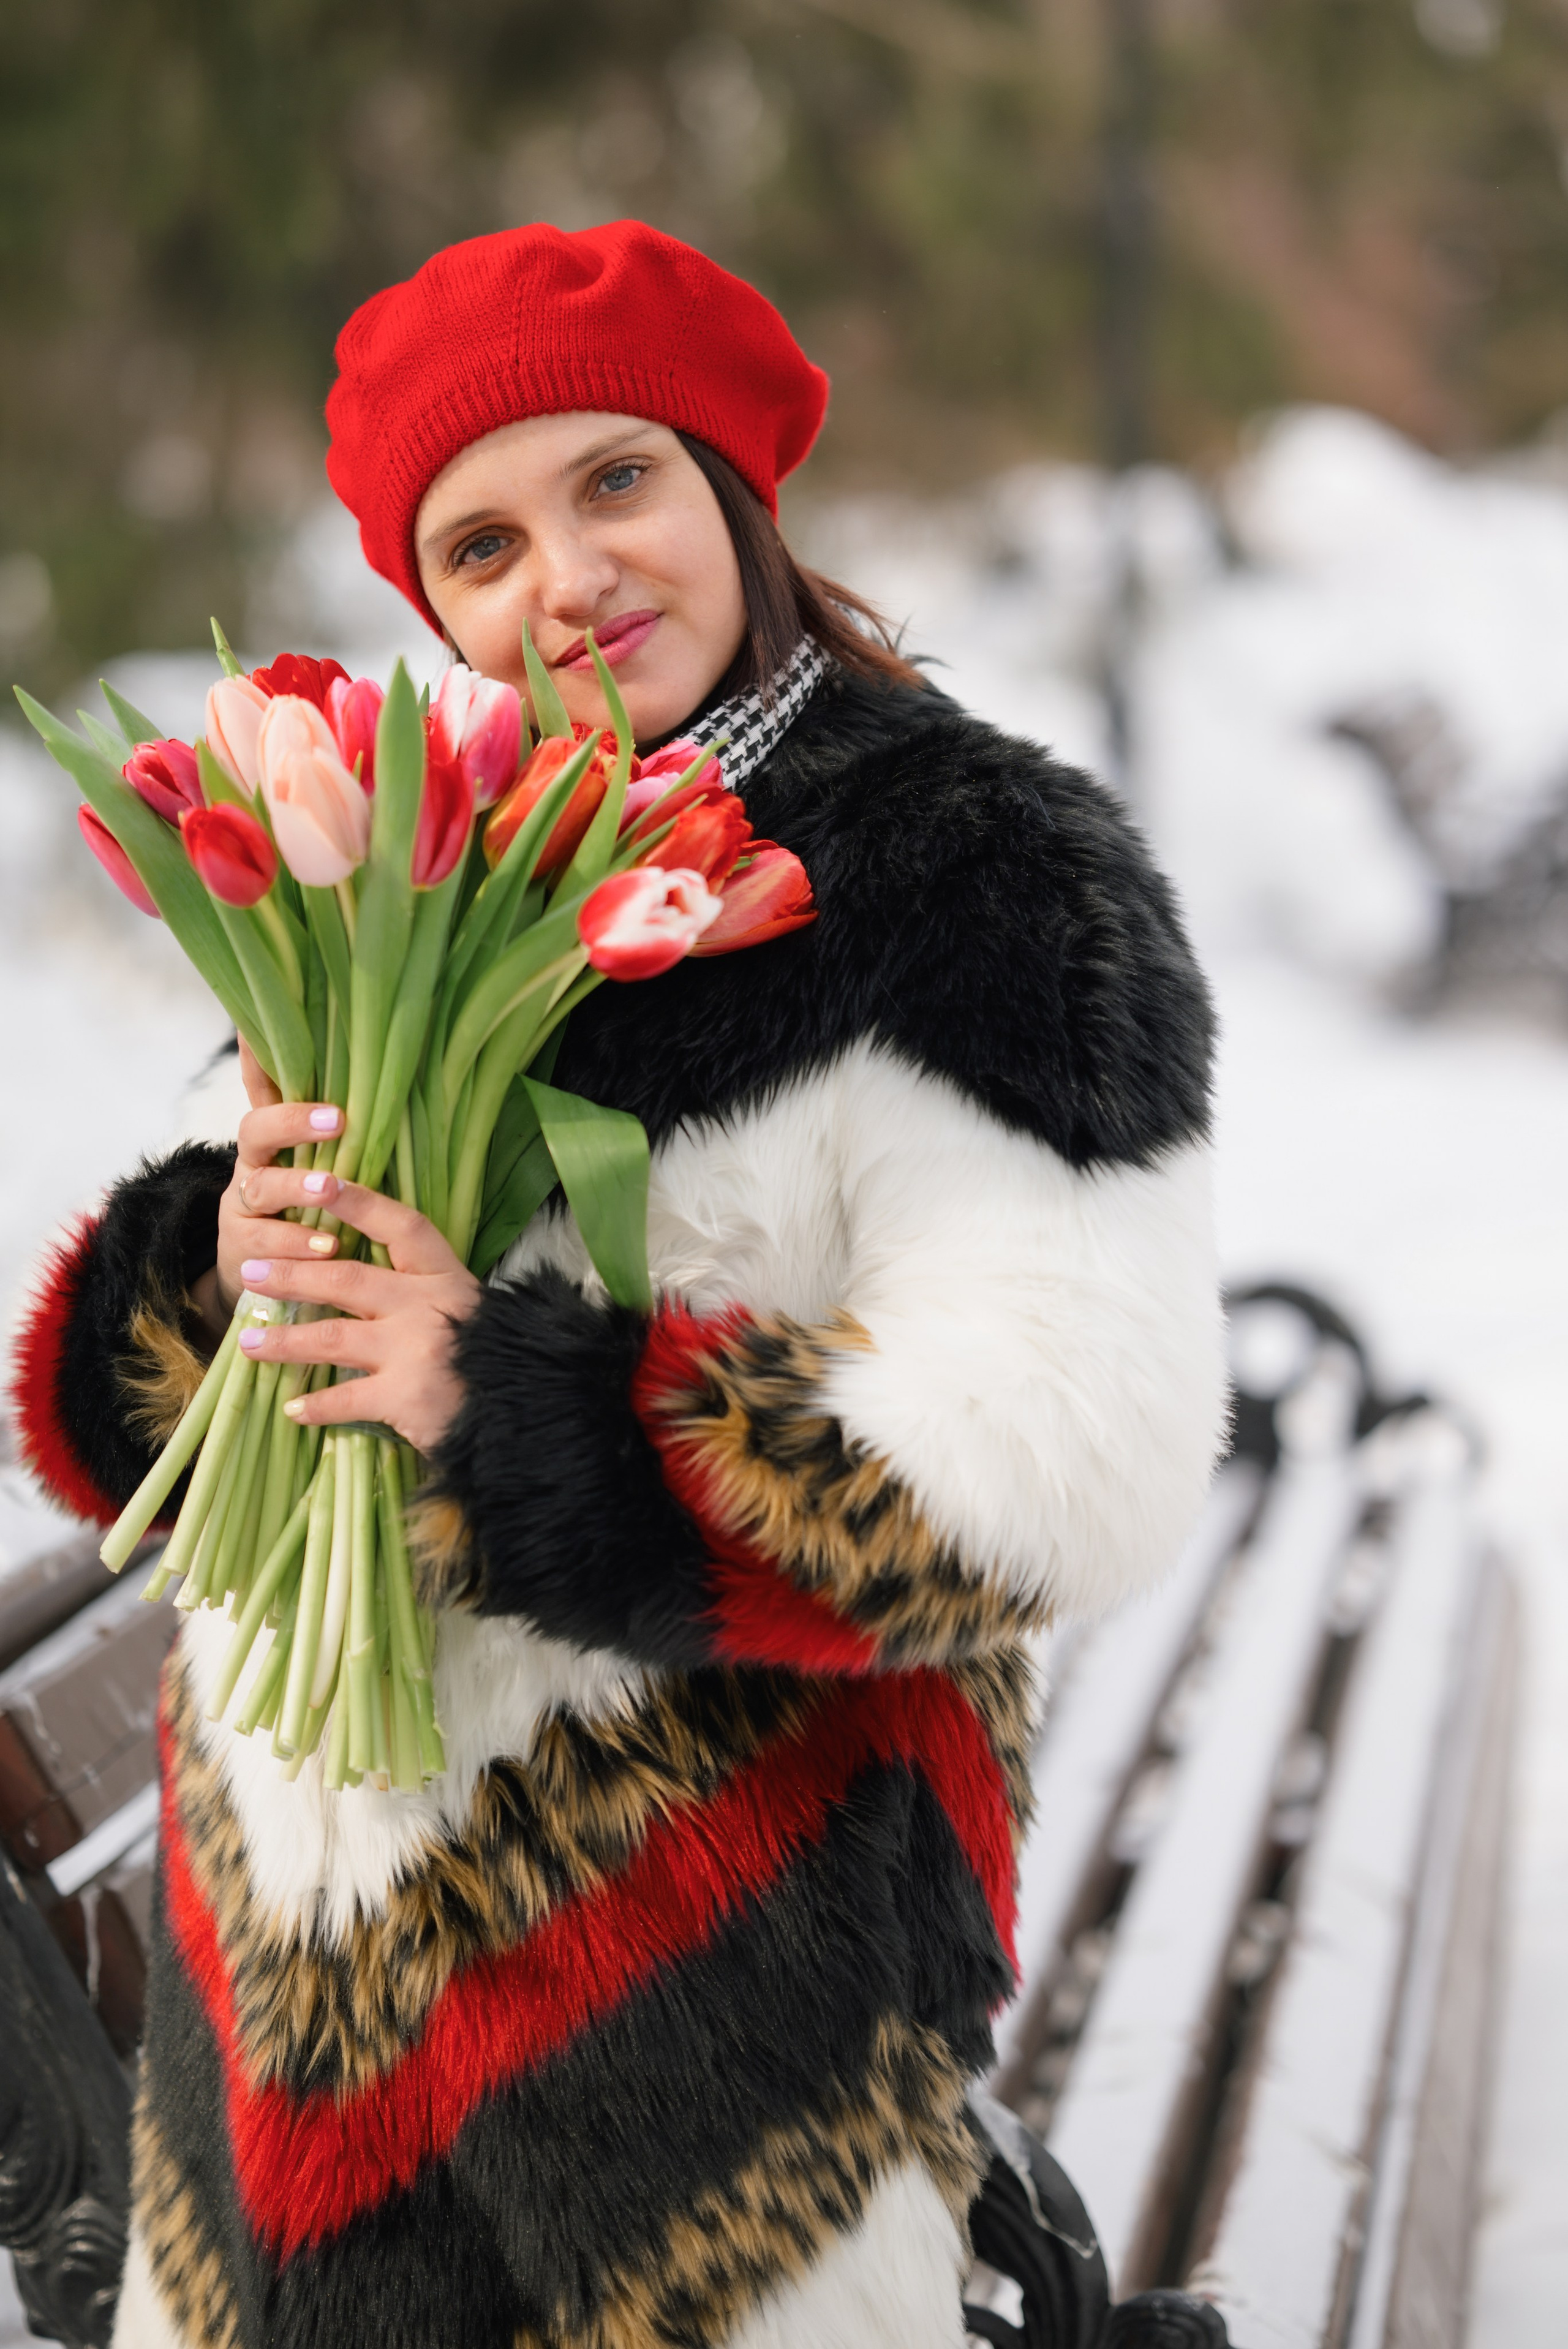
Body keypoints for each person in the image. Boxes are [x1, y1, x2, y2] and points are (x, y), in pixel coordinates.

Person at [12, 221, 1226, 2349]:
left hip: (708, 2044)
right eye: (479, 546)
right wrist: (209, 1268)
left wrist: (514, 1409)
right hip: (289, 2063)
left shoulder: (971, 876)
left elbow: (1072, 1448)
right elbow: (171, 1454)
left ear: (732, 491)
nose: (562, 580)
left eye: (613, 484)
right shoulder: (432, 866)